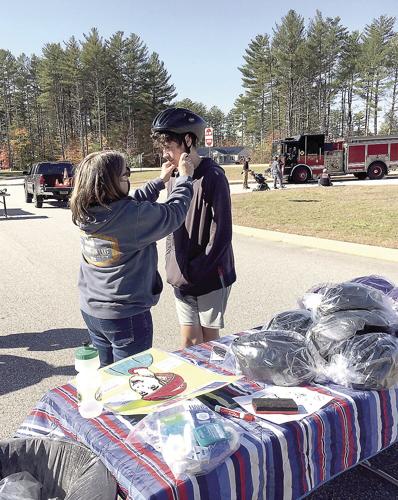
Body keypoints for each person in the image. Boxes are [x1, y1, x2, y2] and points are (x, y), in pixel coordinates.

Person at [69, 150, 194, 367]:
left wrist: (158, 182)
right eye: (125, 175)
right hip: (125, 316)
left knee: (105, 376)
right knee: (129, 381)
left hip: (92, 310)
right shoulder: (131, 218)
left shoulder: (86, 211)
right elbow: (173, 213)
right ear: (109, 184)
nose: (128, 178)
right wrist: (184, 178)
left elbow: (128, 206)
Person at [151, 107, 236, 348]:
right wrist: (172, 264)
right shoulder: (176, 177)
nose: (166, 155)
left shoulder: (213, 176)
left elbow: (221, 233)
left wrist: (198, 269)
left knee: (210, 341)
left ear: (188, 140)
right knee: (189, 340)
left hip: (209, 274)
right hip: (182, 275)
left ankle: (218, 384)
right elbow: (171, 223)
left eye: (170, 147)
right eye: (163, 148)